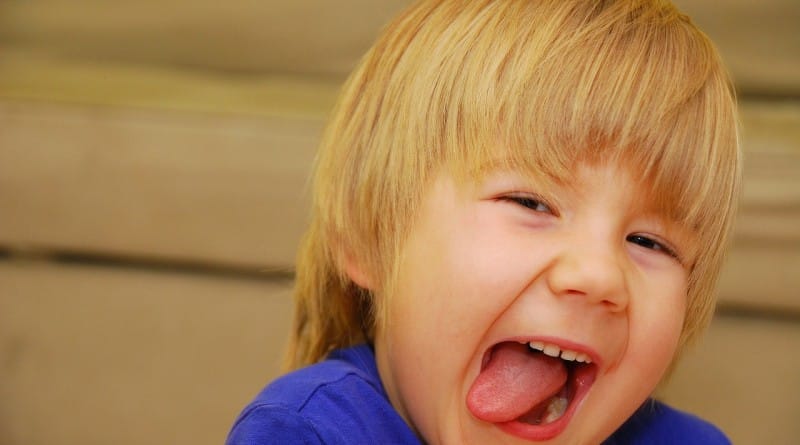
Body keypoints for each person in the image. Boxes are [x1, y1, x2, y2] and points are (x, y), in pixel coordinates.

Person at [227, 0, 741, 443]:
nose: (600, 276)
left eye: (649, 242)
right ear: (371, 239)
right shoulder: (312, 431)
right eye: (531, 203)